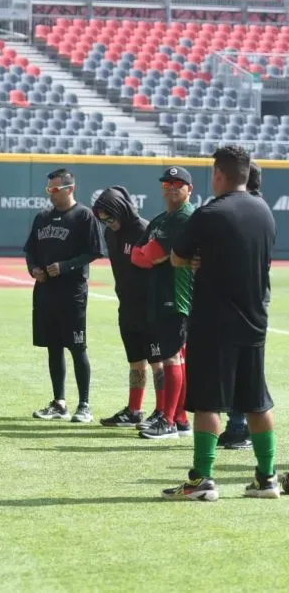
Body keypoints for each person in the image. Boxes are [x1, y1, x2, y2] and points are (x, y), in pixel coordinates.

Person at [162, 145, 279, 500]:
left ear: (218, 174)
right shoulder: (265, 212)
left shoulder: (209, 212)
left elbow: (177, 257)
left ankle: (202, 480)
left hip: (214, 322)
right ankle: (266, 478)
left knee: (208, 403)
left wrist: (196, 260)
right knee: (256, 401)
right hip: (255, 320)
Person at [23, 169, 105, 423]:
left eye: (54, 190)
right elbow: (30, 251)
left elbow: (95, 251)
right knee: (53, 346)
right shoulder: (42, 217)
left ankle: (85, 405)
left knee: (77, 346)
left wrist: (66, 266)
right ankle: (59, 402)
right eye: (48, 190)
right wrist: (34, 269)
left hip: (72, 293)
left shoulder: (83, 217)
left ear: (69, 189)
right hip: (46, 291)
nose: (50, 194)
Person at [130, 167, 194, 441]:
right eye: (167, 182)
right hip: (160, 294)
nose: (171, 187)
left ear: (189, 190)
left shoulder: (185, 218)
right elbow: (138, 256)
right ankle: (178, 418)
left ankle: (169, 420)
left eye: (178, 183)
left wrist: (153, 254)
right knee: (173, 356)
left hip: (176, 295)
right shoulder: (159, 219)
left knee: (171, 357)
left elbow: (153, 253)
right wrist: (152, 254)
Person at [92, 186, 164, 428]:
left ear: (120, 210)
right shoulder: (110, 234)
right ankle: (134, 410)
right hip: (127, 305)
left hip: (150, 308)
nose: (107, 223)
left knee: (157, 362)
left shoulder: (143, 229)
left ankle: (162, 411)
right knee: (135, 361)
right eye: (103, 219)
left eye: (110, 217)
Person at [216, 161, 263, 451]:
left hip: (238, 301)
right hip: (253, 301)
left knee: (237, 369)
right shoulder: (260, 209)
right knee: (245, 369)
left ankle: (238, 427)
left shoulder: (242, 209)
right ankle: (239, 426)